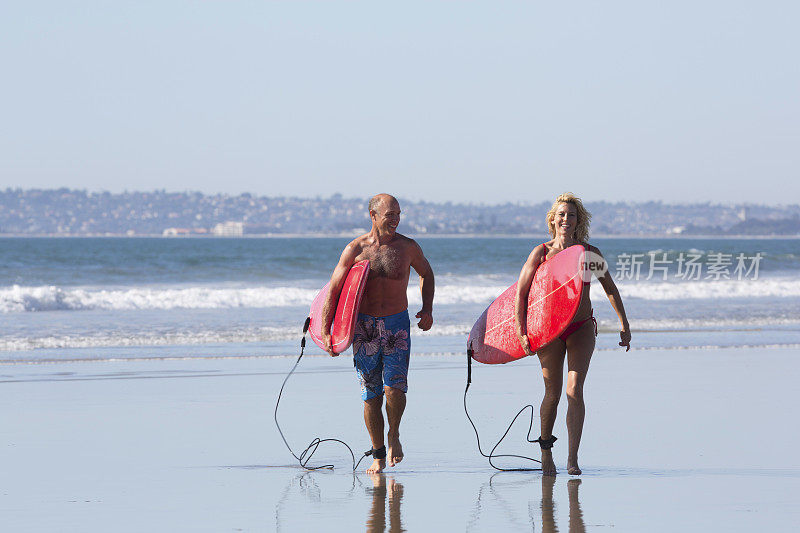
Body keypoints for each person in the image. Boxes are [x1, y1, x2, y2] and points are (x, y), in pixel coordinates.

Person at [514, 192, 631, 476]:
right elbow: (521, 292)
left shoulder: (589, 254)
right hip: (550, 330)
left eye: (572, 215)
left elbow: (610, 289)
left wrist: (624, 324)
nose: (566, 219)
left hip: (581, 327)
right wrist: (522, 332)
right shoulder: (541, 253)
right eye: (562, 214)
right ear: (553, 219)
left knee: (574, 390)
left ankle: (572, 458)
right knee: (552, 394)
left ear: (579, 220)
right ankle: (545, 452)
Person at [322, 193, 435, 474]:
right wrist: (327, 332)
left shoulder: (408, 247)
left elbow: (427, 274)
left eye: (398, 214)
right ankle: (378, 454)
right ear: (373, 216)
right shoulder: (355, 249)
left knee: (394, 387)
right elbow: (334, 289)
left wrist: (427, 308)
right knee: (370, 394)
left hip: (397, 323)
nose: (395, 219)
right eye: (389, 214)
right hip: (364, 328)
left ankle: (394, 434)